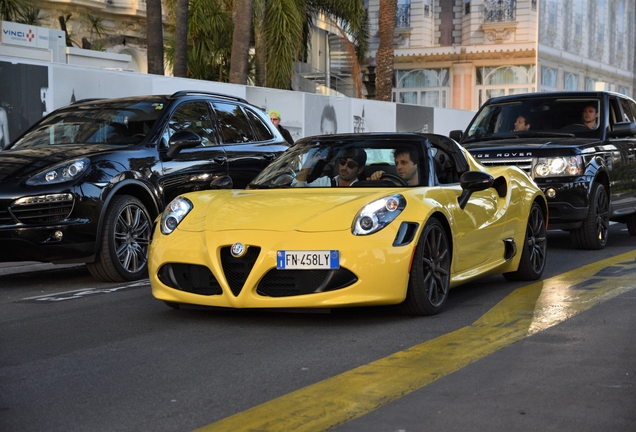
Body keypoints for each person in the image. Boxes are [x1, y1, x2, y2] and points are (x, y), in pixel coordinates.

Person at [293, 148, 367, 187]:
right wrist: (308, 163)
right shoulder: (324, 182)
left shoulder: (364, 189)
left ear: (360, 170)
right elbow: (297, 190)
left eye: (351, 165)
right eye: (342, 162)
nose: (344, 167)